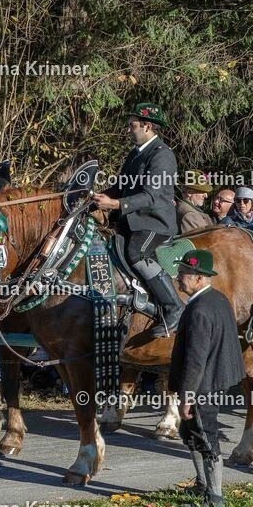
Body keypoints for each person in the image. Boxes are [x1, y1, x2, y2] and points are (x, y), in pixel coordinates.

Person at [92, 102, 184, 337]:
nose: (128, 130)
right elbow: (120, 186)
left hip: (155, 222)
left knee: (137, 252)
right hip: (132, 220)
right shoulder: (135, 154)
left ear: (147, 126)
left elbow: (151, 196)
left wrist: (115, 204)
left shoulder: (163, 155)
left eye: (132, 125)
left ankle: (174, 307)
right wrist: (96, 197)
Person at [171, 249, 245, 507]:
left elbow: (196, 359)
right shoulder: (217, 298)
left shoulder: (199, 310)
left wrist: (187, 396)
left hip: (203, 385)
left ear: (199, 278)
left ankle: (215, 498)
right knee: (189, 432)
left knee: (206, 436)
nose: (178, 278)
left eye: (183, 274)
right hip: (212, 379)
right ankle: (202, 484)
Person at [176, 169, 214, 234]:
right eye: (202, 191)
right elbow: (201, 239)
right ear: (189, 192)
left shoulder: (185, 208)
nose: (206, 196)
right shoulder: (190, 215)